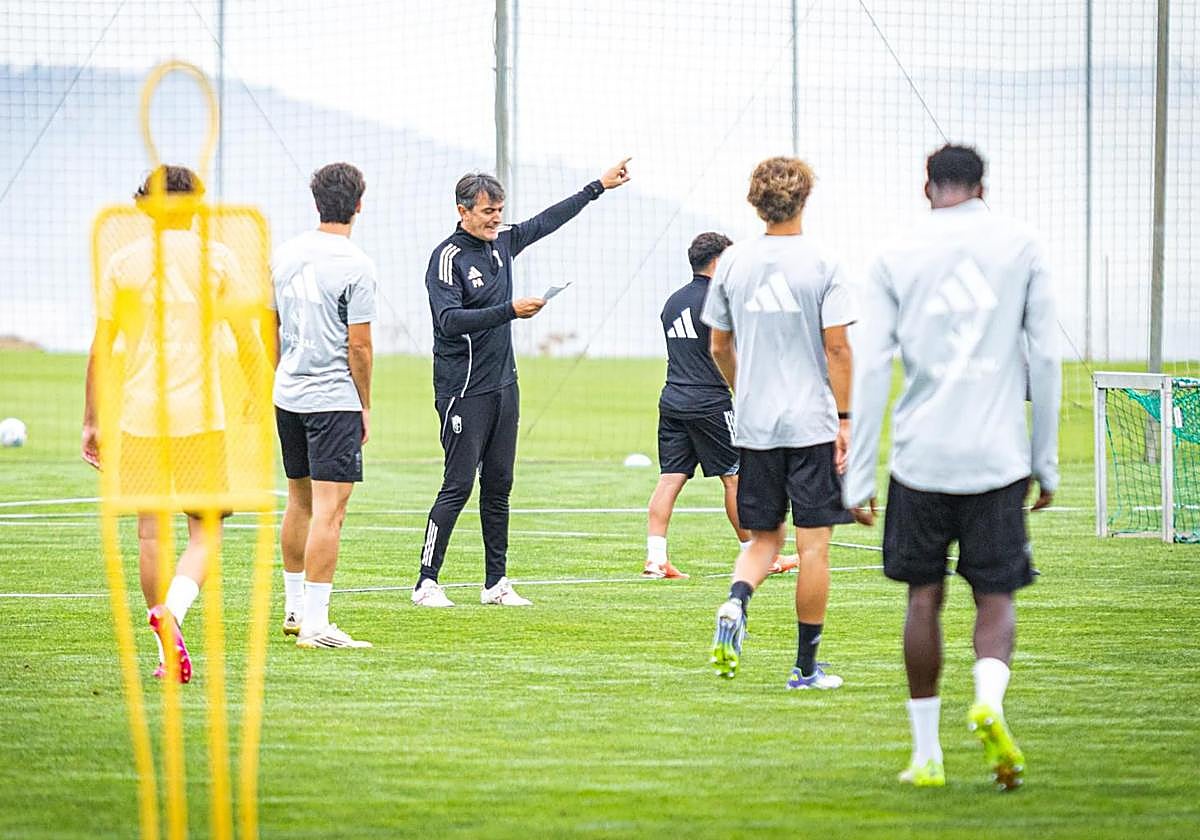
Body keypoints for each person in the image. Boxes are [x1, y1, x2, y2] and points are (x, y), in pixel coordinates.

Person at [843, 145, 1060, 790]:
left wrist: (857, 477)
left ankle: (927, 754)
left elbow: (874, 366)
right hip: (997, 459)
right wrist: (1043, 462)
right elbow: (1044, 356)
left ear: (926, 187)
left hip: (920, 458)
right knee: (995, 596)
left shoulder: (895, 251)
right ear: (983, 186)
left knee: (923, 597)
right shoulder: (1020, 245)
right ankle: (989, 699)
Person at [412, 159, 631, 608]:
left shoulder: (503, 244)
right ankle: (426, 582)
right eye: (487, 211)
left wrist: (598, 187)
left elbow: (547, 220)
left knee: (499, 485)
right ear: (463, 211)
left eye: (499, 209)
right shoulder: (447, 258)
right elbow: (449, 321)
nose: (496, 218)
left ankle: (496, 583)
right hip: (463, 389)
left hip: (503, 387)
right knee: (457, 485)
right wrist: (510, 310)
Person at [82, 164, 266, 682]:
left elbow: (101, 346)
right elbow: (247, 338)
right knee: (204, 532)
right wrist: (258, 392)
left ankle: (165, 650)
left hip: (139, 414)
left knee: (148, 534)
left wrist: (91, 421)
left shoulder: (124, 262)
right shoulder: (217, 259)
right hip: (200, 418)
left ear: (144, 205)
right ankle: (175, 615)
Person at [702, 157, 855, 689]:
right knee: (813, 549)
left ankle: (735, 603)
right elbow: (837, 347)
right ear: (805, 198)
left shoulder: (734, 264)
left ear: (755, 201)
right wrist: (845, 419)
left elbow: (719, 345)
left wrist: (743, 388)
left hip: (756, 424)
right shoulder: (824, 262)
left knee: (763, 539)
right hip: (811, 424)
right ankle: (806, 668)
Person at [645, 231, 798, 579]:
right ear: (718, 261)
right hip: (710, 402)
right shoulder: (719, 299)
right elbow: (729, 347)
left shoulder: (673, 301)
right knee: (735, 477)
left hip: (673, 399)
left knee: (670, 478)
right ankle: (761, 556)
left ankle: (655, 558)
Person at [270, 162, 375, 649]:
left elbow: (267, 326)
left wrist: (279, 375)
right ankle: (315, 624)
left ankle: (294, 608)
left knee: (299, 501)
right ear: (358, 203)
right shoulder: (356, 264)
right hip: (333, 399)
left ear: (316, 202)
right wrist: (365, 405)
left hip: (287, 394)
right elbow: (360, 347)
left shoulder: (284, 255)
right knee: (331, 512)